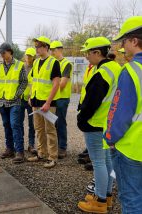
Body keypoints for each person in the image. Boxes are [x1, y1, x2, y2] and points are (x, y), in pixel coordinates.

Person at [77, 37, 121, 213]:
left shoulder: (102, 73)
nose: (87, 56)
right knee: (108, 161)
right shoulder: (115, 68)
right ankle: (106, 195)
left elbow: (93, 101)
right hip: (108, 123)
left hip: (96, 123)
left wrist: (82, 119)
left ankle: (100, 201)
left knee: (98, 163)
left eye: (89, 53)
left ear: (97, 52)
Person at [103, 16, 142, 213]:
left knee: (132, 199)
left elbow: (120, 112)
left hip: (132, 149)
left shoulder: (132, 70)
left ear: (134, 41)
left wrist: (110, 137)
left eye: (124, 42)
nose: (122, 47)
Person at [27, 36, 61, 168]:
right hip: (36, 102)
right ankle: (41, 153)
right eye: (35, 46)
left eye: (39, 46)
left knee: (50, 130)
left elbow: (56, 84)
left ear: (46, 47)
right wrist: (31, 96)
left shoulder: (54, 62)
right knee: (39, 129)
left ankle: (52, 157)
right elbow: (34, 81)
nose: (36, 49)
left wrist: (48, 102)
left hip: (48, 103)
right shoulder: (35, 62)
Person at [0, 42, 28, 164]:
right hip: (2, 101)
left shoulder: (20, 65)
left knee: (15, 125)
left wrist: (16, 95)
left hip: (15, 102)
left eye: (3, 53)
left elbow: (24, 82)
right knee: (6, 125)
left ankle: (20, 152)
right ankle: (10, 148)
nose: (2, 55)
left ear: (10, 51)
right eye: (1, 53)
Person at [50, 41, 73, 159]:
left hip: (62, 98)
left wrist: (52, 86)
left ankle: (62, 147)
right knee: (52, 123)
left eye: (54, 50)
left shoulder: (66, 64)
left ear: (60, 50)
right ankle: (55, 146)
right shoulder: (52, 63)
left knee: (61, 123)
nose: (52, 52)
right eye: (51, 50)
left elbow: (62, 84)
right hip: (53, 98)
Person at [22, 47, 36, 155]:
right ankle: (20, 144)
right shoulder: (21, 67)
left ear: (34, 56)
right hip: (22, 99)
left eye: (30, 56)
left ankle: (31, 145)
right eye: (27, 55)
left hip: (32, 100)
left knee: (32, 124)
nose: (28, 57)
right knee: (19, 122)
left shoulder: (36, 67)